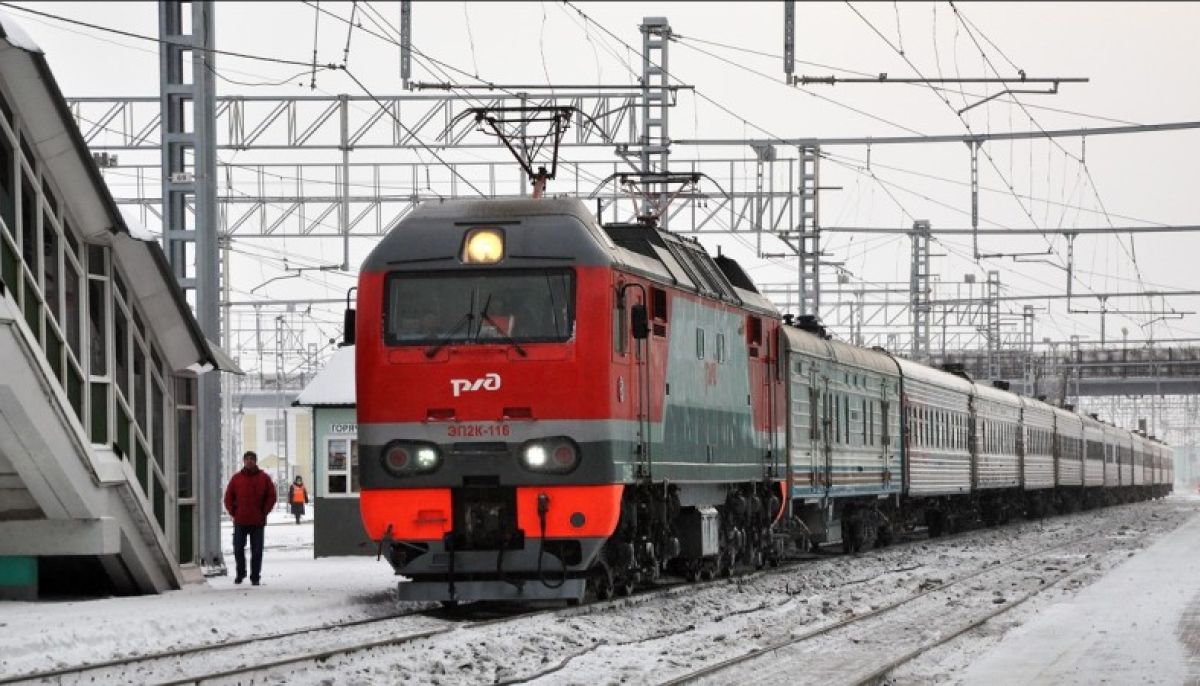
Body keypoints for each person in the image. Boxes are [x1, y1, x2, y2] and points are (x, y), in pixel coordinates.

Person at [223, 451, 276, 586]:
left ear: (256, 461)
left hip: (257, 521)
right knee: (238, 549)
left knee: (257, 551)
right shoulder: (236, 479)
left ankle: (255, 576)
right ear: (243, 461)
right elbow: (228, 497)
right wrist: (234, 512)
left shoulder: (264, 478)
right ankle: (240, 573)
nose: (249, 461)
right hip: (240, 521)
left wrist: (264, 511)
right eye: (247, 459)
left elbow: (271, 496)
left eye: (252, 459)